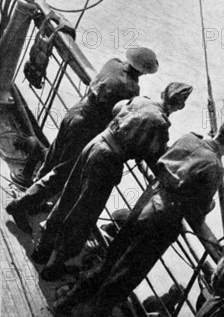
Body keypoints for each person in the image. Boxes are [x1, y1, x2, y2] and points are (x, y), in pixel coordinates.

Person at [53, 120, 224, 317]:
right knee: (131, 271)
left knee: (112, 256)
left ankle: (69, 300)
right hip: (164, 220)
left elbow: (163, 159)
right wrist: (210, 207)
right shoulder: (215, 166)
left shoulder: (189, 137)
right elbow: (199, 209)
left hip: (148, 199)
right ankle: (100, 312)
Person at [34, 82, 193, 281]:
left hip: (95, 144)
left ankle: (41, 249)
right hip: (107, 162)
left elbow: (117, 108)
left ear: (162, 92)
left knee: (68, 197)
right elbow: (158, 158)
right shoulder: (161, 123)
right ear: (179, 106)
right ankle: (52, 267)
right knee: (83, 215)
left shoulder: (141, 100)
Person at [6, 48, 159, 235]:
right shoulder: (130, 88)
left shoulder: (113, 62)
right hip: (87, 127)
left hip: (76, 111)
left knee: (53, 157)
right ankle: (21, 205)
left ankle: (32, 200)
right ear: (143, 71)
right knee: (64, 172)